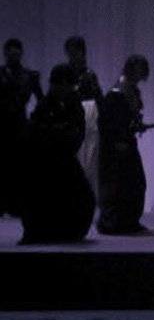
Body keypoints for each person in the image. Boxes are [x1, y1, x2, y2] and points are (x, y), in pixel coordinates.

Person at [19, 64, 95, 244]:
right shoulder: (45, 104)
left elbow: (77, 131)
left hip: (65, 159)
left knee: (80, 198)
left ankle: (67, 231)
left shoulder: (72, 102)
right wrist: (59, 132)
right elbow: (36, 133)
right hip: (46, 161)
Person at [97, 54, 150, 235]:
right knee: (116, 184)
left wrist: (136, 126)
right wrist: (116, 141)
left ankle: (129, 221)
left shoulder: (131, 91)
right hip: (116, 145)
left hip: (126, 141)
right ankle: (112, 222)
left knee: (134, 183)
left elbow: (128, 118)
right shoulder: (118, 92)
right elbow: (108, 122)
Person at [0, 38, 43, 215]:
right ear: (5, 53)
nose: (14, 55)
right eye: (11, 52)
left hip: (20, 123)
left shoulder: (30, 76)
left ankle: (17, 204)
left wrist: (36, 119)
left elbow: (41, 99)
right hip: (2, 124)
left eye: (17, 52)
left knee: (19, 164)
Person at [64, 36, 103, 198]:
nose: (73, 56)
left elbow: (98, 98)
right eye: (70, 53)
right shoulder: (64, 74)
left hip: (88, 119)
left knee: (88, 160)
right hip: (69, 120)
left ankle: (86, 196)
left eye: (77, 52)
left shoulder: (89, 75)